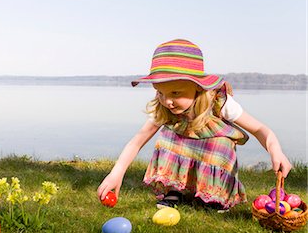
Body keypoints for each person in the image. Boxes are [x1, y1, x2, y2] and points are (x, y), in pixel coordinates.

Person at [97, 39, 292, 211]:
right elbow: (137, 141)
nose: (167, 101)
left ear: (198, 87)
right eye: (160, 93)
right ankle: (175, 190)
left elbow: (260, 130)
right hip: (183, 151)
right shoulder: (164, 108)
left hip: (212, 154)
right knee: (168, 135)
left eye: (175, 93)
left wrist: (275, 150)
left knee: (221, 142)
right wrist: (116, 173)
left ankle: (213, 194)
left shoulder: (220, 103)